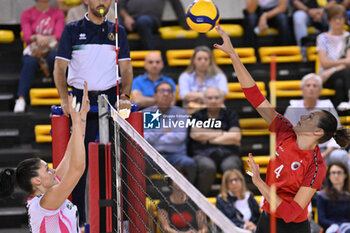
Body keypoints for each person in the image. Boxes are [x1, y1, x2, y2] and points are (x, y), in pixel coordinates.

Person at [214, 24, 350, 233]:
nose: (304, 115)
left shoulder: (316, 166)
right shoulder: (284, 130)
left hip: (293, 228)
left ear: (317, 132)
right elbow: (254, 95)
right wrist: (233, 55)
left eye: (311, 117)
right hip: (267, 221)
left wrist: (259, 183)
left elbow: (290, 213)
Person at [54, 0, 133, 228]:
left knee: (119, 162)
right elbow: (60, 68)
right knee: (78, 166)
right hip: (80, 100)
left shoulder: (118, 31)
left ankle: (121, 222)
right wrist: (63, 99)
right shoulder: (72, 29)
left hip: (110, 100)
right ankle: (78, 222)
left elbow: (126, 69)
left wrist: (125, 97)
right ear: (86, 1)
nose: (102, 2)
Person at [0, 82, 89, 233]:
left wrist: (82, 117)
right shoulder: (46, 202)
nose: (53, 171)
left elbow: (70, 153)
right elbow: (78, 168)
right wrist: (75, 120)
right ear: (37, 180)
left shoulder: (48, 192)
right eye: (47, 169)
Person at [284, 73, 349, 167]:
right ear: (302, 89)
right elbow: (287, 135)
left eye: (315, 86)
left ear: (320, 91)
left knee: (341, 156)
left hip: (325, 151)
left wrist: (324, 154)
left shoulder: (327, 105)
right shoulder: (293, 107)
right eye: (308, 85)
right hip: (300, 152)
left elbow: (336, 132)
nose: (311, 88)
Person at [189, 86, 242, 196]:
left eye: (216, 98)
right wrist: (223, 133)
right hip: (203, 154)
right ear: (204, 100)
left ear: (222, 100)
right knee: (208, 167)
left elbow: (236, 137)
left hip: (228, 154)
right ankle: (200, 201)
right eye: (210, 98)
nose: (213, 101)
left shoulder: (230, 114)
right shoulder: (197, 116)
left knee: (231, 166)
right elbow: (195, 134)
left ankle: (235, 200)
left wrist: (208, 139)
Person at [14, 0, 65, 113]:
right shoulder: (27, 14)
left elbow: (59, 35)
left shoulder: (58, 13)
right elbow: (27, 37)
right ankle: (21, 98)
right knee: (29, 62)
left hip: (52, 48)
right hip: (35, 49)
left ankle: (63, 96)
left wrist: (45, 39)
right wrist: (37, 37)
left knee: (54, 57)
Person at [143, 82, 196, 183]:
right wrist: (166, 131)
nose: (166, 94)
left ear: (172, 96)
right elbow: (147, 138)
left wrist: (157, 132)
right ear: (155, 95)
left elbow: (179, 137)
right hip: (154, 156)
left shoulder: (180, 113)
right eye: (162, 91)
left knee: (189, 163)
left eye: (169, 91)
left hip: (176, 156)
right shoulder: (149, 113)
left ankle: (190, 197)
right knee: (138, 162)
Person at [118, 0, 188, 50]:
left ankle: (151, 56)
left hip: (151, 19)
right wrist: (126, 17)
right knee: (118, 27)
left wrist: (185, 25)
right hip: (130, 19)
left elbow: (176, 4)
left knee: (143, 22)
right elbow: (120, 6)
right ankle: (119, 58)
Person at [317, 4, 350, 108]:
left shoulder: (348, 37)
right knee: (346, 73)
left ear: (344, 19)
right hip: (325, 77)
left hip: (335, 73)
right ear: (329, 20)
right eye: (334, 18)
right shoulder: (322, 37)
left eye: (340, 17)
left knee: (340, 82)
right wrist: (343, 62)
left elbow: (349, 62)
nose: (337, 21)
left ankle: (338, 114)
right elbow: (324, 63)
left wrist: (332, 69)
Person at [178, 46, 228, 114]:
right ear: (193, 60)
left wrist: (196, 97)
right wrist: (211, 97)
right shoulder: (185, 76)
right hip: (193, 111)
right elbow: (184, 95)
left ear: (210, 61)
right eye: (199, 59)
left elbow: (224, 93)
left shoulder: (219, 76)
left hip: (214, 110)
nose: (203, 61)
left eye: (206, 59)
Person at [157, 167, 208, 233]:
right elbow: (166, 228)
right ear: (171, 181)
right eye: (176, 179)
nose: (179, 182)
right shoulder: (163, 204)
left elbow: (204, 228)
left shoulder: (196, 202)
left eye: (182, 178)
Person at [316, 162, 350, 233]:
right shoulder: (321, 195)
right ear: (329, 176)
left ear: (345, 175)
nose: (336, 175)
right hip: (330, 228)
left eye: (339, 172)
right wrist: (335, 226)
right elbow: (321, 219)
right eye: (333, 173)